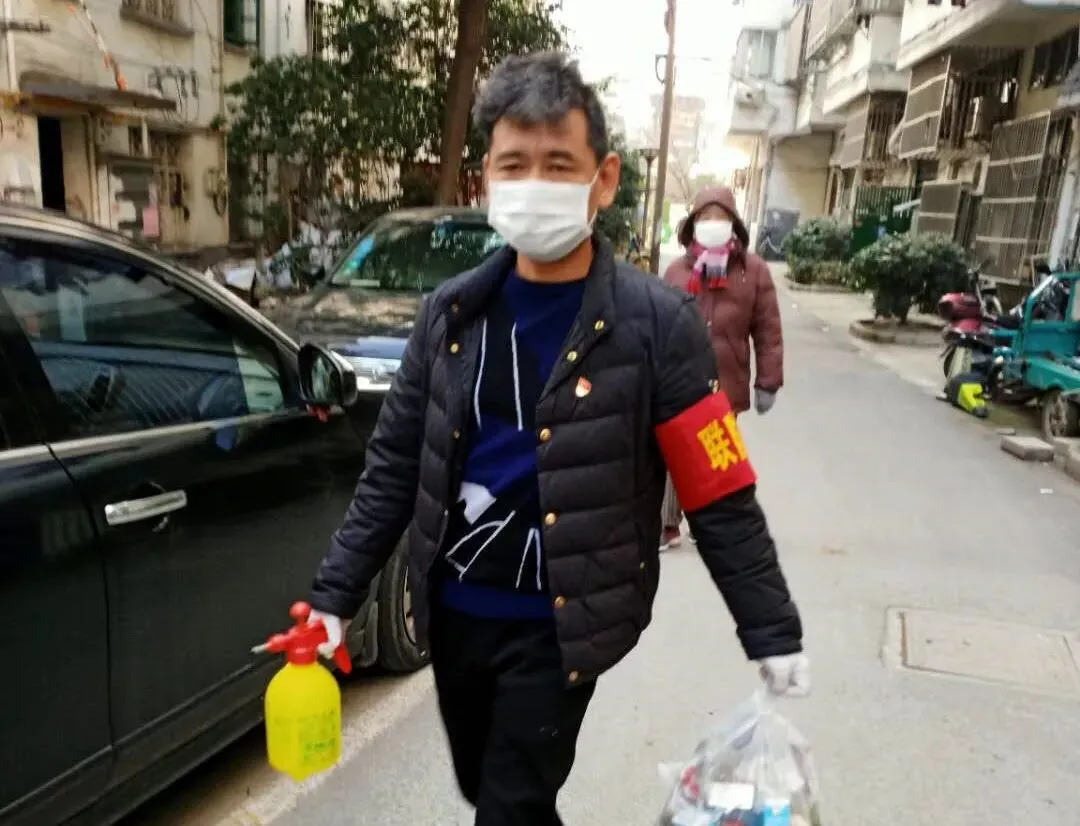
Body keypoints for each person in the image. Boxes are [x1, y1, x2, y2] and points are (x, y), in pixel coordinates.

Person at [305, 52, 808, 826]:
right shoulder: (449, 315)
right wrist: (334, 596)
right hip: (455, 610)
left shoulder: (658, 324)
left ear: (603, 180)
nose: (534, 182)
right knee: (490, 788)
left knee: (509, 803)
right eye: (515, 164)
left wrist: (769, 626)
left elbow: (719, 490)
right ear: (486, 178)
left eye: (558, 164)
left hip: (562, 621)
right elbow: (395, 467)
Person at [659, 187, 784, 551]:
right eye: (705, 217)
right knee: (675, 454)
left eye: (720, 217)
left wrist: (768, 381)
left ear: (734, 224)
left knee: (714, 458)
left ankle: (708, 524)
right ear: (693, 224)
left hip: (727, 383)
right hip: (679, 381)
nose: (712, 223)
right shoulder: (677, 272)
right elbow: (657, 326)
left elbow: (768, 330)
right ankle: (666, 524)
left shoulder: (753, 271)